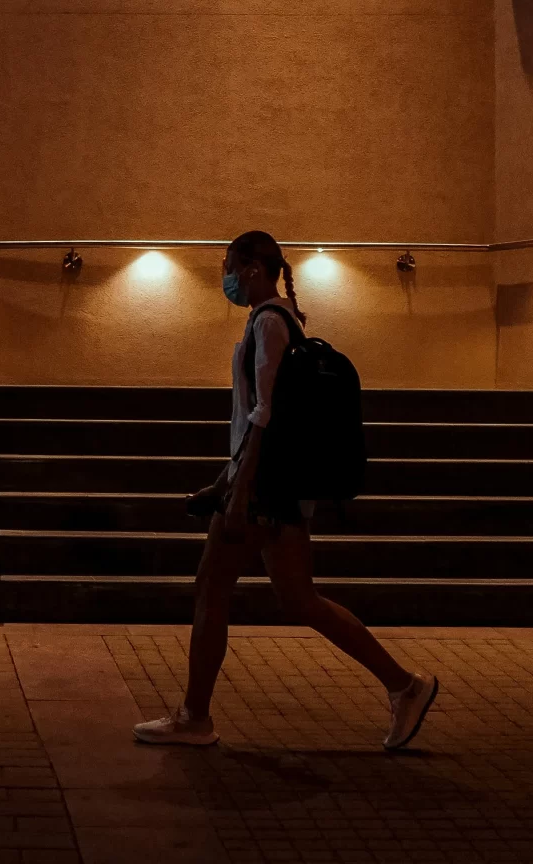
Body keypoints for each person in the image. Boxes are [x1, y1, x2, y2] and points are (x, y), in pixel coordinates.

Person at [132, 230, 438, 751]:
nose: (225, 277)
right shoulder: (281, 321)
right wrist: (222, 481)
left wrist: (239, 489)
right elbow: (258, 419)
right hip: (272, 487)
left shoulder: (269, 323)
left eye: (229, 266)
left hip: (263, 491)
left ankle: (194, 717)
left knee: (212, 589)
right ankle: (404, 685)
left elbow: (264, 417)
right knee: (300, 598)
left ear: (252, 267)